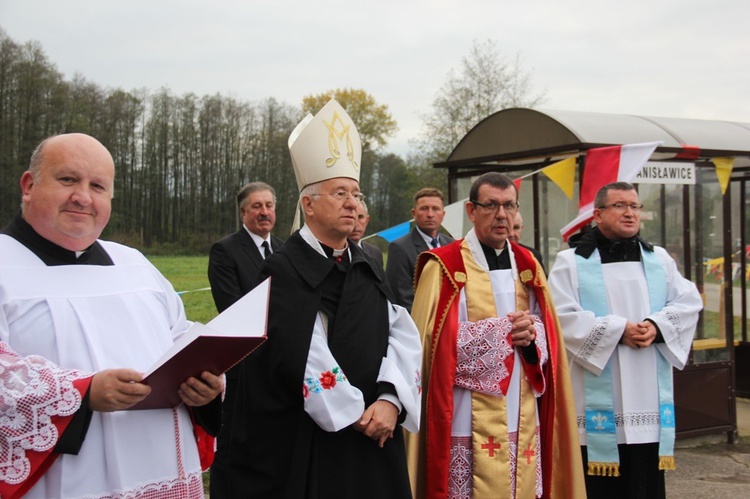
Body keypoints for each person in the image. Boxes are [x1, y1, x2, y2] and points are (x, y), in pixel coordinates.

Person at [0, 133, 223, 498]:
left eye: (98, 186)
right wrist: (82, 394)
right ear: (29, 185)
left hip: (162, 466)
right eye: (68, 180)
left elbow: (181, 336)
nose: (83, 197)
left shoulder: (135, 265)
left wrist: (206, 389)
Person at [226, 99, 422, 497]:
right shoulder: (284, 269)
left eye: (357, 193)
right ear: (308, 204)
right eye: (340, 193)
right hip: (320, 433)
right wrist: (354, 413)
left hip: (379, 429)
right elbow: (299, 349)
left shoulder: (366, 261)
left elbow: (401, 330)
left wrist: (389, 400)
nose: (353, 203)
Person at [407, 171, 585, 499]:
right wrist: (501, 332)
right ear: (471, 212)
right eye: (490, 206)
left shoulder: (528, 263)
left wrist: (531, 336)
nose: (501, 215)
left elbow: (550, 338)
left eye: (509, 206)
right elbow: (427, 344)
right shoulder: (443, 265)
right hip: (463, 409)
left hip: (521, 403)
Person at [548, 181, 702, 499]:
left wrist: (656, 326)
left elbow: (689, 302)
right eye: (620, 205)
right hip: (599, 397)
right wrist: (619, 330)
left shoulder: (659, 259)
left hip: (648, 391)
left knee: (645, 482)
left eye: (634, 206)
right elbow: (560, 317)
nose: (630, 213)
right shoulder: (571, 261)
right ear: (598, 214)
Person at [207, 180, 284, 498]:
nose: (264, 212)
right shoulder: (225, 251)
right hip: (243, 361)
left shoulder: (284, 248)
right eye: (256, 206)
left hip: (279, 361)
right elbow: (232, 306)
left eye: (269, 206)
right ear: (243, 212)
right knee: (232, 446)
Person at [386, 187, 454, 311]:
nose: (430, 214)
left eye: (435, 209)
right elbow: (402, 298)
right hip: (418, 324)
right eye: (424, 208)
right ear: (414, 213)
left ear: (443, 214)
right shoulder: (400, 248)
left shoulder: (452, 245)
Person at [350, 199, 383, 267]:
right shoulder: (331, 254)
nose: (356, 224)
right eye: (351, 217)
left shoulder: (375, 254)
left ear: (367, 220)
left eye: (360, 217)